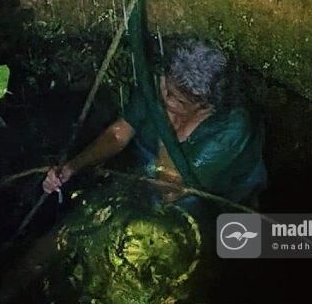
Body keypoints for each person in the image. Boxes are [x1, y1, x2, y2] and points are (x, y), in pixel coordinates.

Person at [42, 39, 267, 212]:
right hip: (154, 165)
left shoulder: (231, 128)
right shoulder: (160, 87)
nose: (165, 98)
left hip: (211, 189)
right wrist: (73, 167)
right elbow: (120, 133)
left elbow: (168, 191)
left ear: (205, 106)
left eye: (177, 99)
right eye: (165, 88)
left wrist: (166, 125)